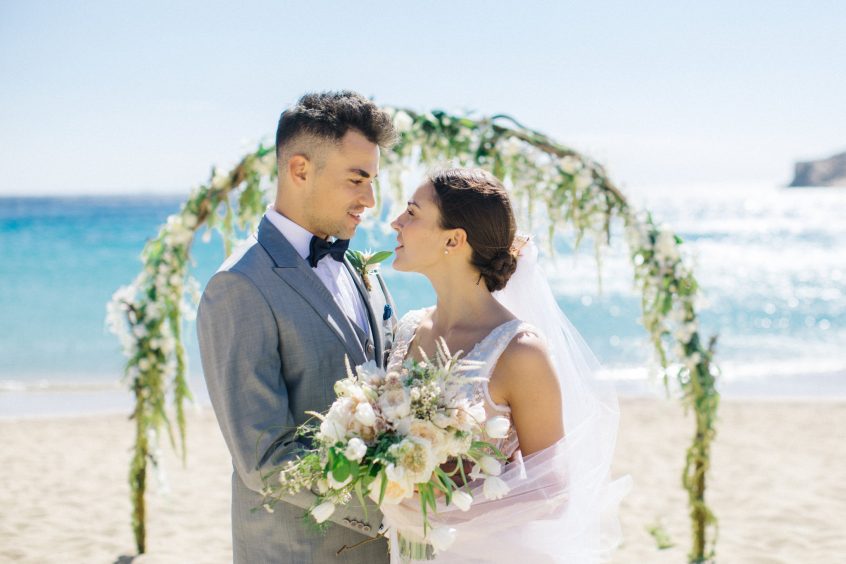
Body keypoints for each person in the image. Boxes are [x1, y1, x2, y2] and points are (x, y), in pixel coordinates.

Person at [383, 168, 627, 562]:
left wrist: (437, 512)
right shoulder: (410, 329)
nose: (396, 222)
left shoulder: (519, 351)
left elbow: (553, 489)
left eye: (412, 213)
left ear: (453, 239)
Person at [197, 91, 397, 563]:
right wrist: (394, 503)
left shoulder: (360, 266)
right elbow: (264, 461)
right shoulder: (238, 286)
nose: (370, 200)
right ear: (300, 170)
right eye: (357, 179)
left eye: (373, 180)